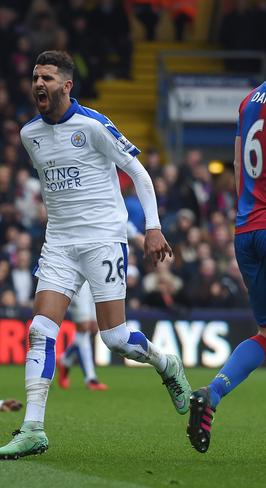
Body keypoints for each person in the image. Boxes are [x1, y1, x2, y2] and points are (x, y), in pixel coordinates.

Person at [0, 51, 191, 460]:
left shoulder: (94, 126)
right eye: (34, 77)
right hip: (60, 243)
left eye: (47, 77)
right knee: (39, 331)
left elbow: (138, 172)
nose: (38, 84)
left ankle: (166, 363)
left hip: (103, 239)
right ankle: (33, 429)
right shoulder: (29, 134)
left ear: (67, 85)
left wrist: (152, 227)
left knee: (115, 338)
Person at [187, 81, 266, 454]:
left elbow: (238, 164)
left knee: (265, 333)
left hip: (246, 228)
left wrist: (247, 214)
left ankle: (213, 392)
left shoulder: (248, 100)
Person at [59, 222, 144, 391]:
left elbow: (135, 235)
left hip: (101, 276)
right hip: (78, 273)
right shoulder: (86, 208)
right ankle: (91, 378)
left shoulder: (115, 211)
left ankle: (65, 360)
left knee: (92, 327)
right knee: (84, 326)